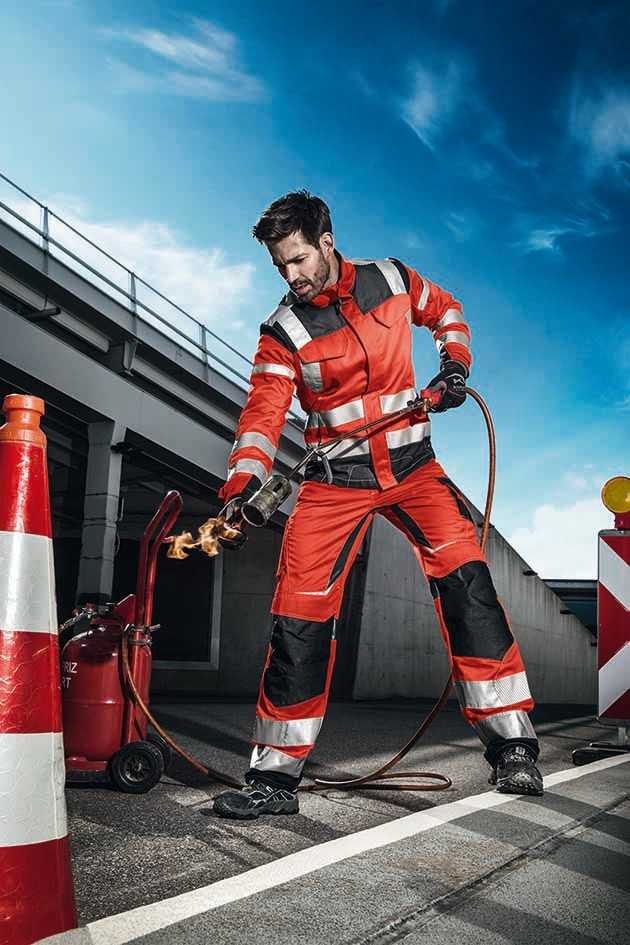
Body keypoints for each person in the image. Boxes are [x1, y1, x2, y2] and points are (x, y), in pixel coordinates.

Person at [213, 191, 543, 820]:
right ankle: (273, 780)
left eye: (300, 258)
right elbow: (262, 414)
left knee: (469, 587)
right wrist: (244, 483)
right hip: (334, 484)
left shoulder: (390, 280)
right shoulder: (282, 331)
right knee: (298, 618)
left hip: (416, 472)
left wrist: (455, 365)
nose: (293, 275)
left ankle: (514, 749)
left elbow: (446, 310)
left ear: (327, 240)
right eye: (281, 266)